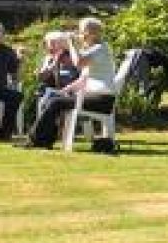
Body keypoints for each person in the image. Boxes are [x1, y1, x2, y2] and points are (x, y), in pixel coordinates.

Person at [28, 17, 117, 151]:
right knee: (54, 99)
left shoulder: (100, 49)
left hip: (102, 99)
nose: (79, 34)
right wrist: (65, 90)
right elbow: (83, 79)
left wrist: (71, 43)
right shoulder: (93, 49)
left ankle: (37, 140)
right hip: (94, 96)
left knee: (55, 102)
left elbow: (78, 63)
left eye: (81, 31)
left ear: (91, 33)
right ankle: (44, 140)